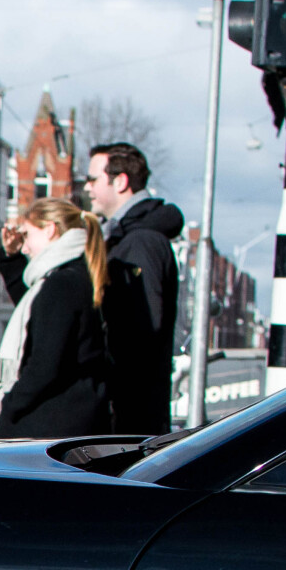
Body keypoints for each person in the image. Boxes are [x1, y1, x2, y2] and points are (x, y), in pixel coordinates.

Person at [0, 198, 113, 438]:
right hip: (72, 420)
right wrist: (12, 260)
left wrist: (10, 405)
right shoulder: (74, 275)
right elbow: (37, 311)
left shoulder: (61, 284)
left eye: (28, 235)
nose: (25, 247)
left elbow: (45, 364)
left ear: (50, 229)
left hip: (51, 425)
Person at [86, 142, 186, 434]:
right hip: (130, 408)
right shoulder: (128, 236)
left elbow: (143, 332)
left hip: (130, 414)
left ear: (120, 181)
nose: (88, 187)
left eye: (93, 179)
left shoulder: (140, 242)